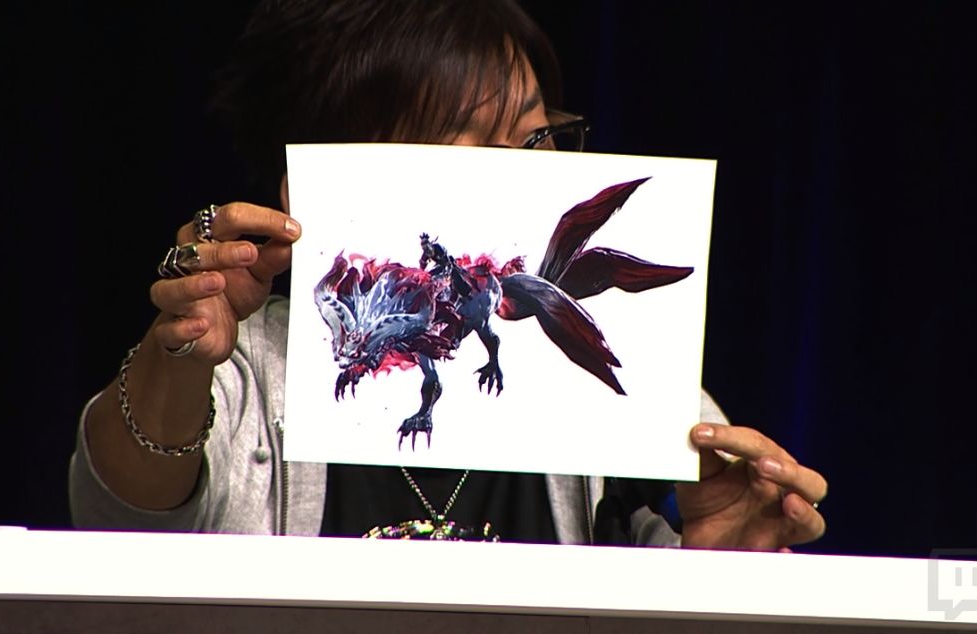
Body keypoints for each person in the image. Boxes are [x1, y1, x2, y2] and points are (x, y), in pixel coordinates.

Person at [69, 0, 827, 549]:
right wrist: (181, 355)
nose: (524, 175)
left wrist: (720, 557)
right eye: (469, 148)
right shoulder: (249, 367)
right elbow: (117, 515)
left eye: (535, 140)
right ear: (329, 177)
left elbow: (667, 588)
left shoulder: (615, 393)